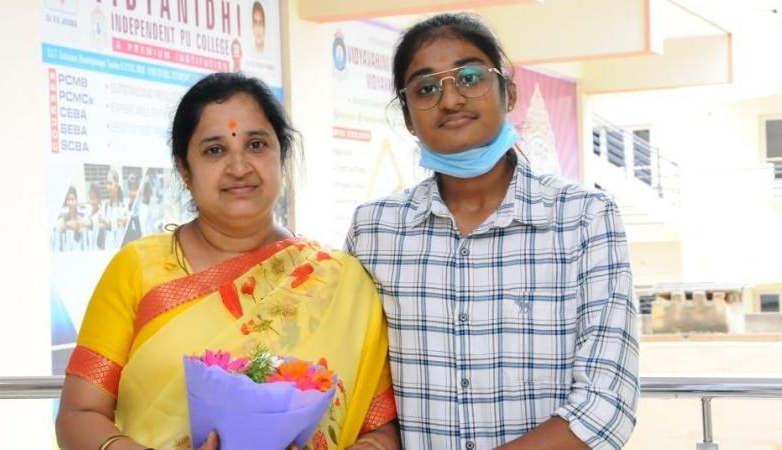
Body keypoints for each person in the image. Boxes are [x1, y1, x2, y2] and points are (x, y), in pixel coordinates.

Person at [56, 73, 400, 450]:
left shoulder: (338, 280)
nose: (239, 167)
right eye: (214, 150)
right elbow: (79, 415)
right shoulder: (138, 268)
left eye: (256, 145)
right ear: (184, 170)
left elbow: (381, 429)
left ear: (281, 157)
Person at [345, 13, 639, 450]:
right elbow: (362, 386)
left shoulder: (585, 217)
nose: (450, 100)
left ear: (510, 92)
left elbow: (606, 404)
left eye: (469, 77)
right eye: (426, 88)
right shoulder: (374, 231)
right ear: (407, 117)